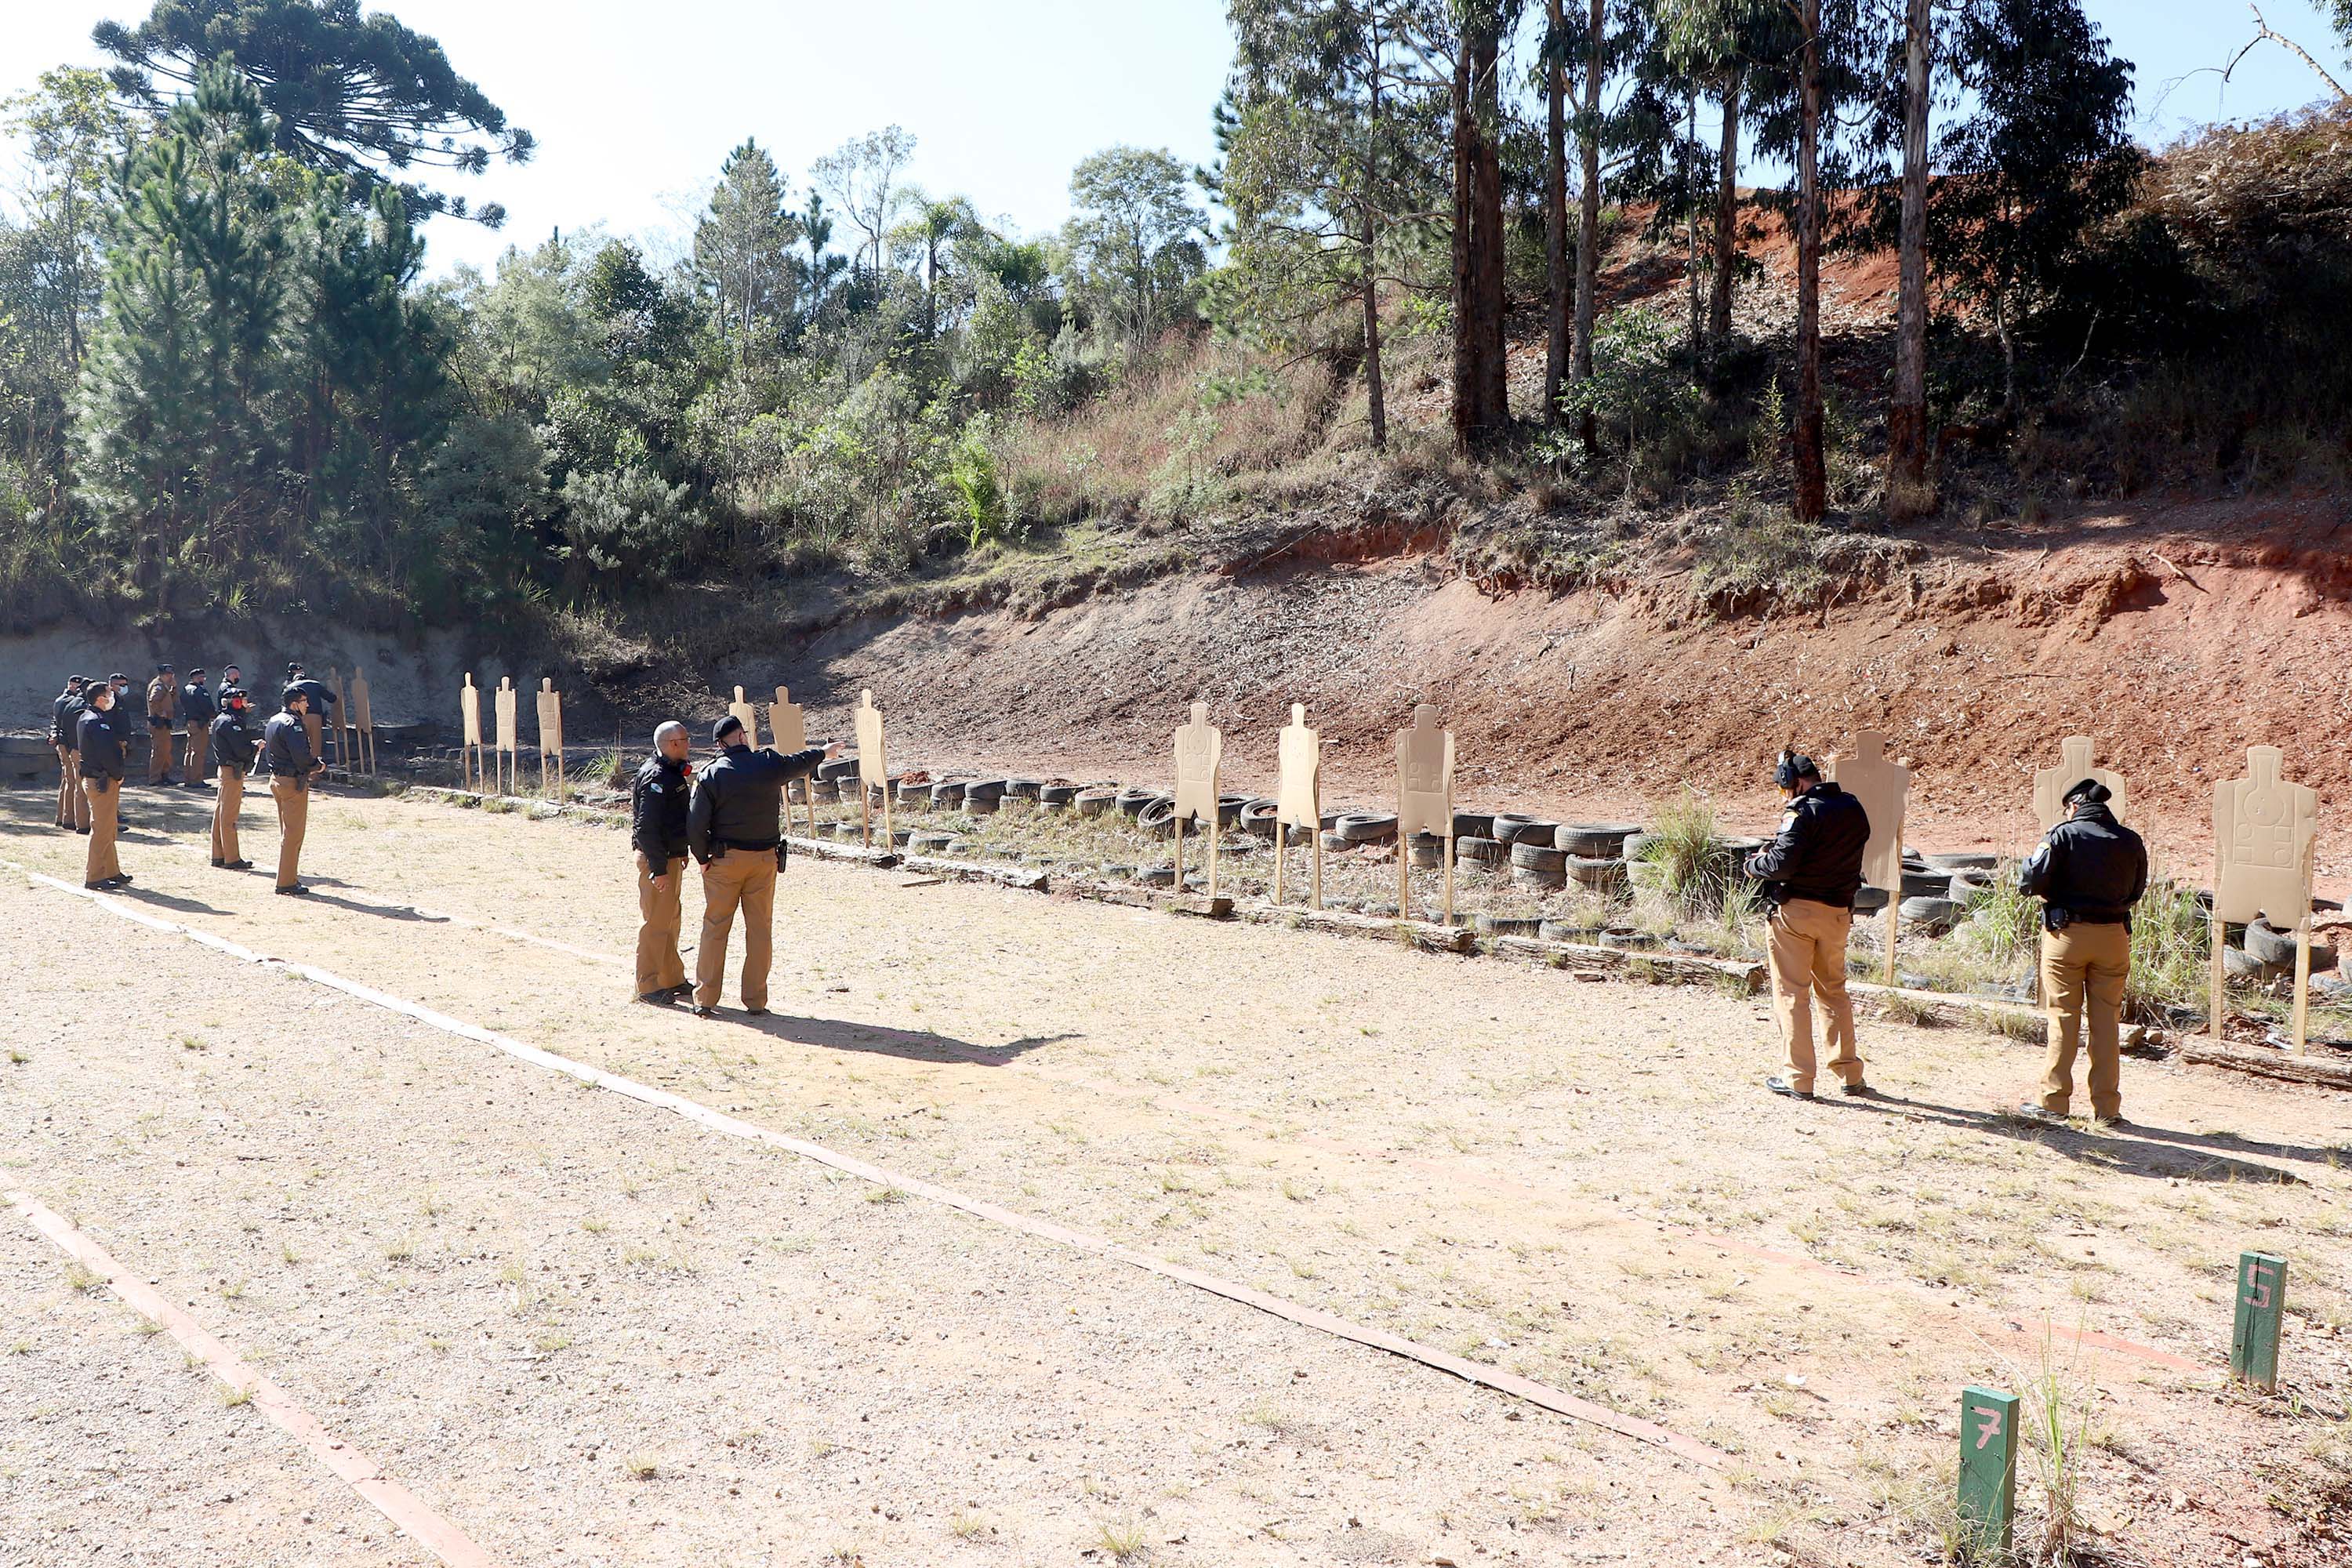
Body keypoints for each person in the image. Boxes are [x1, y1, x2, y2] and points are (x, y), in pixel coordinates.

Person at [684, 713, 835, 1018]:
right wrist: (824, 752)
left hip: (724, 862)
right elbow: (799, 762)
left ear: (719, 744)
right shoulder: (767, 764)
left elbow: (696, 823)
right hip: (764, 860)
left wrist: (702, 859)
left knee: (715, 929)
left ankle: (705, 998)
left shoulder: (712, 774)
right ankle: (755, 1000)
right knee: (759, 930)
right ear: (742, 736)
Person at [2018, 779, 2148, 1127]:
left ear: (2074, 807)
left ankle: (2053, 1101)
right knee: (2107, 1022)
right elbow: (2137, 890)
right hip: (2114, 937)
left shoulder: (2062, 835)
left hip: (2068, 936)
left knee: (2063, 1016)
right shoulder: (2130, 840)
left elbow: (2029, 883)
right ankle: (2108, 1109)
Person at [1745, 749, 1873, 1101]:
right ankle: (1849, 1073)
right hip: (1837, 914)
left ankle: (1798, 1078)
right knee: (1834, 992)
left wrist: (1754, 865)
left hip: (1796, 913)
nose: (1784, 794)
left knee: (1792, 993)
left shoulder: (1800, 812)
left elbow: (1781, 865)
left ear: (1796, 782)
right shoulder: (1852, 807)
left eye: (1784, 787)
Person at [630, 721, 696, 1004]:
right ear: (672, 744)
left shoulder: (669, 772)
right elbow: (646, 829)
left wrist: (680, 852)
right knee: (657, 922)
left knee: (670, 918)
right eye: (685, 739)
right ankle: (647, 985)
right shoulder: (657, 777)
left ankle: (671, 977)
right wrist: (658, 869)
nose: (689, 743)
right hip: (658, 860)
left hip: (669, 857)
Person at [261, 687, 323, 895]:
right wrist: (317, 766)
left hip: (278, 779)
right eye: (304, 701)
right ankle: (286, 881)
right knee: (293, 834)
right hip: (291, 782)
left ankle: (287, 877)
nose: (307, 704)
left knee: (287, 832)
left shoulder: (274, 720)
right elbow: (302, 756)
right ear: (294, 704)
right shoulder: (293, 724)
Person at [77, 679, 131, 889]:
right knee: (102, 829)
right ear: (100, 699)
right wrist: (118, 774)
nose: (112, 698)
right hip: (102, 780)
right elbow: (106, 754)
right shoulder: (96, 721)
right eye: (109, 694)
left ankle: (111, 870)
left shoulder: (92, 718)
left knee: (109, 828)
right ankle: (94, 876)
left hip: (102, 778)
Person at [209, 686, 263, 869]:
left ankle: (218, 854)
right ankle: (231, 858)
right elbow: (242, 749)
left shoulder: (222, 720)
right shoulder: (232, 723)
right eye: (242, 701)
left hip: (226, 769)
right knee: (229, 815)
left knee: (220, 812)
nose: (245, 704)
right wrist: (255, 748)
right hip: (233, 771)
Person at [50, 675, 85, 829]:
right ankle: (71, 819)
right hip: (68, 744)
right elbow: (58, 722)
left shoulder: (64, 700)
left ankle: (63, 817)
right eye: (73, 684)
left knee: (67, 780)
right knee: (73, 781)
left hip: (64, 742)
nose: (74, 687)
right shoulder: (67, 701)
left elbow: (56, 722)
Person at [286, 663, 336, 768]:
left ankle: (299, 772)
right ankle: (314, 775)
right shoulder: (315, 684)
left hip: (298, 717)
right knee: (315, 745)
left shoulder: (290, 686)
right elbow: (331, 698)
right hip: (315, 717)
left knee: (299, 743)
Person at [180, 666, 217, 791]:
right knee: (199, 752)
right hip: (200, 723)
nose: (203, 679)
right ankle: (196, 779)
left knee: (190, 751)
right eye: (202, 677)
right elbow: (207, 707)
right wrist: (213, 715)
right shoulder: (200, 690)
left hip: (190, 722)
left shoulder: (185, 689)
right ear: (196, 678)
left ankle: (188, 779)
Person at [145, 663, 180, 784]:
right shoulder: (158, 685)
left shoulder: (164, 686)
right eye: (169, 674)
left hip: (164, 724)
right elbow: (154, 700)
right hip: (158, 723)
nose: (171, 677)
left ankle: (164, 775)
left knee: (165, 751)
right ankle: (154, 778)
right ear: (165, 674)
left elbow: (170, 699)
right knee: (159, 751)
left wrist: (174, 688)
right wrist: (161, 713)